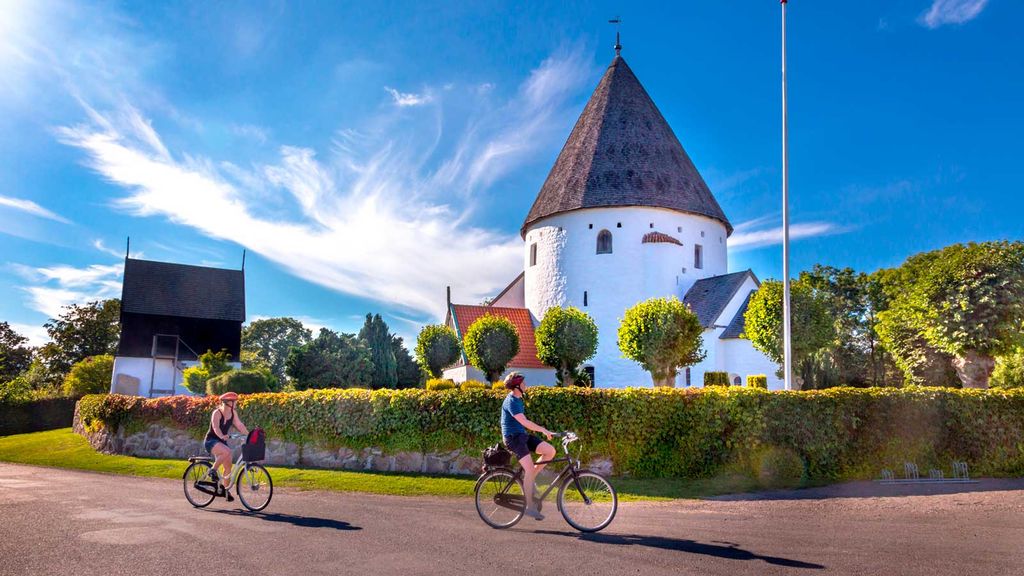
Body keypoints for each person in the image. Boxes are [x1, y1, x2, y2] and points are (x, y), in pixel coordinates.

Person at [500, 372, 555, 520]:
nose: (526, 385)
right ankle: (530, 507)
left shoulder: (518, 399)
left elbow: (523, 425)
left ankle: (530, 480)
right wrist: (543, 429)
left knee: (550, 451)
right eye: (523, 383)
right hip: (513, 439)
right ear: (517, 386)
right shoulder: (511, 401)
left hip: (522, 436)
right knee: (529, 469)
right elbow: (524, 422)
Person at [204, 391, 249, 501]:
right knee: (227, 451)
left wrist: (249, 434)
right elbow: (215, 427)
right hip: (211, 441)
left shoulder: (233, 413)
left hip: (222, 442)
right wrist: (221, 435)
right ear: (229, 402)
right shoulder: (217, 412)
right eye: (235, 402)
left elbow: (239, 425)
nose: (236, 404)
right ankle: (212, 470)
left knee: (228, 467)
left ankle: (225, 491)